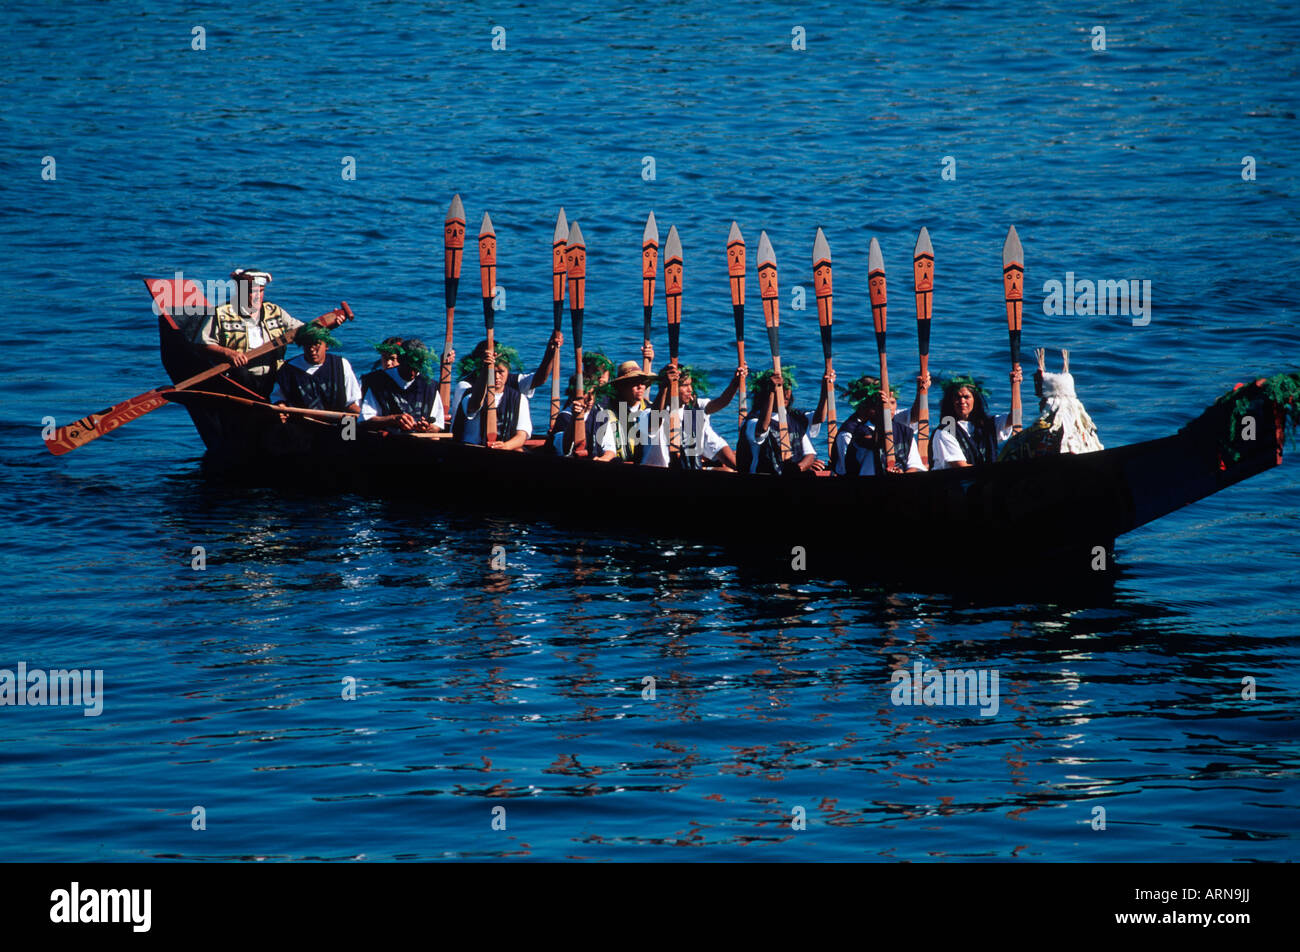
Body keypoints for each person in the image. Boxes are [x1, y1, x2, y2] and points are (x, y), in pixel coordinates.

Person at [199, 268, 345, 396]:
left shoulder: (274, 312)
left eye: (261, 291)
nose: (257, 296)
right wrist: (229, 353)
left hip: (274, 375)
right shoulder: (221, 313)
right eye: (251, 292)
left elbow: (304, 332)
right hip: (239, 377)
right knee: (241, 373)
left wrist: (329, 324)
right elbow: (203, 344)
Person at [999, 351, 1103, 461]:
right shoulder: (1088, 436)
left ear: (1051, 402)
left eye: (1043, 400)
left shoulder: (1032, 437)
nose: (1039, 404)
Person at [639, 363, 739, 469]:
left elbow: (720, 402)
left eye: (690, 384)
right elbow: (654, 423)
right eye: (685, 385)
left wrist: (735, 383)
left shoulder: (695, 412)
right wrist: (664, 388)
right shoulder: (647, 413)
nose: (690, 390)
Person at [555, 358, 654, 460]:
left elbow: (609, 448)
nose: (590, 398)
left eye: (592, 393)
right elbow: (564, 449)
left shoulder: (649, 410)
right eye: (634, 382)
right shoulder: (566, 416)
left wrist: (604, 458)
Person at [930, 365, 1023, 469]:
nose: (962, 401)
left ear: (975, 400)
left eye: (966, 397)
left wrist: (1015, 385)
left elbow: (1015, 418)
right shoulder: (945, 431)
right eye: (957, 397)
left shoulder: (988, 424)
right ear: (950, 401)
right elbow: (961, 467)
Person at [830, 375, 926, 475]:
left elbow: (915, 415)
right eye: (882, 404)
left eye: (892, 402)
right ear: (866, 405)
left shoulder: (903, 429)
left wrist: (922, 392)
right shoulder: (852, 432)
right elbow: (875, 442)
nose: (889, 408)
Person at [737, 368, 822, 475]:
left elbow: (809, 454)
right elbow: (762, 429)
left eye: (788, 388)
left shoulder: (795, 419)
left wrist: (797, 469)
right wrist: (772, 392)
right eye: (781, 388)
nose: (786, 394)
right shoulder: (752, 421)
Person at [269, 323, 362, 415]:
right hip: (303, 424)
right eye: (308, 345)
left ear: (326, 346)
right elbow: (277, 398)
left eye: (316, 344)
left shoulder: (341, 364)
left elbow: (351, 403)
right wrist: (281, 407)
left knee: (351, 427)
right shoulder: (289, 369)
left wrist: (365, 419)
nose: (312, 350)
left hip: (340, 421)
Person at [453, 345, 532, 449]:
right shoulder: (470, 395)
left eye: (501, 372)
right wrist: (486, 369)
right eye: (493, 372)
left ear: (508, 371)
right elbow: (474, 405)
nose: (497, 376)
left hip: (505, 450)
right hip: (472, 450)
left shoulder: (520, 399)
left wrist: (505, 446)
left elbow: (522, 435)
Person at [360, 338, 444, 433]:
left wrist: (427, 427)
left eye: (416, 368)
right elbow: (365, 420)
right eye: (408, 366)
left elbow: (437, 425)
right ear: (400, 359)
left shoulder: (430, 386)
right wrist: (393, 420)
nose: (412, 373)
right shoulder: (377, 381)